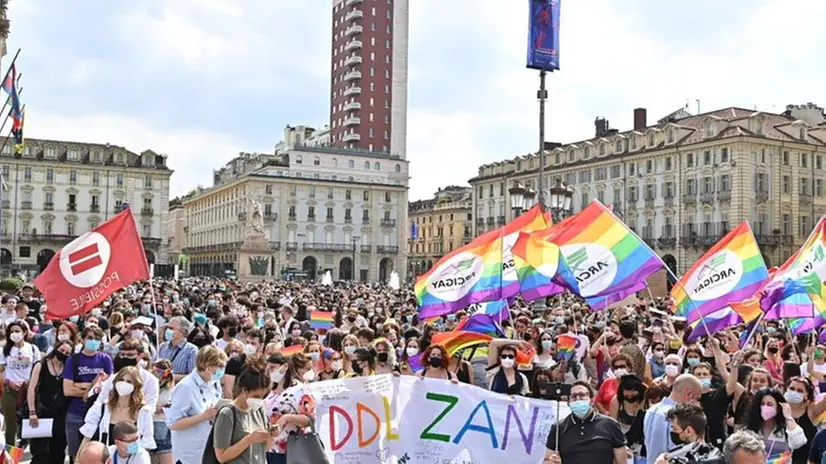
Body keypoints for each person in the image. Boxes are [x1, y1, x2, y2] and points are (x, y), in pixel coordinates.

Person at [166, 345, 227, 464]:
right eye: (220, 366)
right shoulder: (186, 387)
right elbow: (172, 423)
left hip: (209, 450)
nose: (222, 370)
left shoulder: (214, 383)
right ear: (208, 366)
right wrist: (203, 416)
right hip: (189, 455)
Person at [544, 380, 628, 463]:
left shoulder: (611, 425)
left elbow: (621, 462)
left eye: (582, 395)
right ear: (568, 402)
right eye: (573, 396)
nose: (577, 399)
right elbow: (547, 459)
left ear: (592, 400)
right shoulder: (559, 427)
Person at [64, 325, 115, 462]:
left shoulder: (105, 359)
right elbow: (67, 390)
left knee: (97, 455)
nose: (94, 341)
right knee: (77, 455)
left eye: (97, 338)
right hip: (76, 413)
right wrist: (94, 386)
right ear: (82, 339)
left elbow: (109, 388)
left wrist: (80, 385)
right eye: (90, 338)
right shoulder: (73, 359)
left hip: (98, 414)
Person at [79, 366, 155, 451]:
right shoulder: (101, 408)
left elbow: (146, 443)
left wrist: (124, 453)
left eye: (129, 382)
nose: (124, 383)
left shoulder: (143, 411)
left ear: (135, 386)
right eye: (121, 380)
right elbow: (87, 437)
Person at [213, 355, 272, 463]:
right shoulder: (227, 413)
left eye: (262, 396)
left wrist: (271, 435)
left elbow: (265, 447)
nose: (259, 400)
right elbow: (221, 457)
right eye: (256, 396)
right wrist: (249, 439)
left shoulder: (259, 409)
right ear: (245, 391)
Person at [26, 339, 72, 464]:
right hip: (41, 413)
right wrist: (32, 412)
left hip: (60, 414)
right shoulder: (41, 365)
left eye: (67, 353)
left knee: (58, 450)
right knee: (39, 452)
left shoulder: (68, 368)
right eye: (62, 350)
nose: (63, 353)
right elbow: (31, 389)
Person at [644, 374, 703, 464]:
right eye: (697, 398)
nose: (697, 403)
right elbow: (679, 453)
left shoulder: (651, 410)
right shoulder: (678, 417)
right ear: (689, 394)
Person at [0, 319, 40, 445]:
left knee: (27, 423)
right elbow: (1, 370)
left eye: (17, 331)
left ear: (24, 332)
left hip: (28, 391)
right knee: (10, 426)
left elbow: (37, 369)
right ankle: (9, 455)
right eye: (11, 331)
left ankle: (25, 445)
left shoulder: (33, 349)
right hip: (9, 390)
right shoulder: (5, 350)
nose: (14, 334)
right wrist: (7, 381)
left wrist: (30, 383)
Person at [654, 403, 723, 463]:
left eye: (675, 429)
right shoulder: (678, 454)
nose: (672, 432)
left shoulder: (713, 458)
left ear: (689, 431)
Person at [157, 316, 198, 382]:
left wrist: (170, 377)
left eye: (171, 328)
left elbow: (193, 376)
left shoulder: (191, 350)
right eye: (167, 328)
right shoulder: (162, 346)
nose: (167, 330)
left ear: (182, 332)